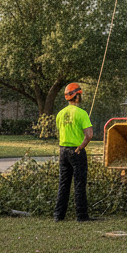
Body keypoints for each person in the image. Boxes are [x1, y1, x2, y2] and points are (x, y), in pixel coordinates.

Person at [54, 82, 95, 221]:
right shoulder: (81, 113)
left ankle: (58, 216)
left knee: (63, 183)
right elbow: (89, 135)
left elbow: (59, 131)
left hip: (63, 151)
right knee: (79, 183)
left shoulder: (60, 114)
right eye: (80, 95)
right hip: (77, 151)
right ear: (76, 96)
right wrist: (81, 147)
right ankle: (81, 216)